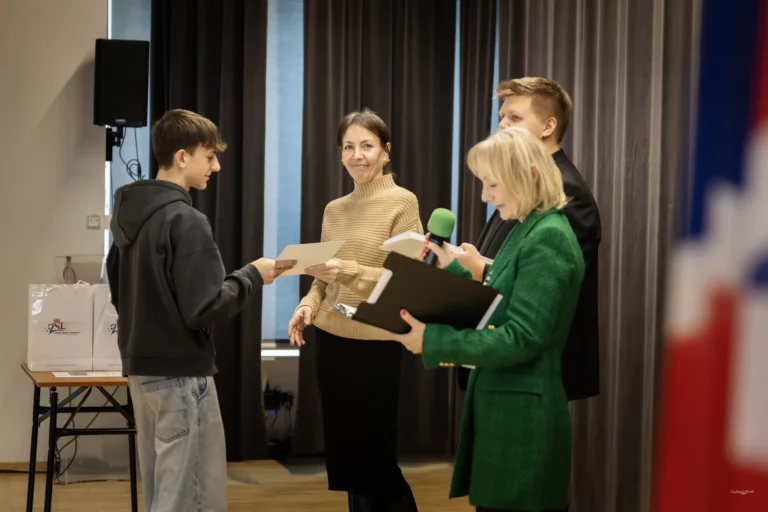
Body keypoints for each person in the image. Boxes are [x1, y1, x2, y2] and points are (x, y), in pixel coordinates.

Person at [106, 109, 295, 512]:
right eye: (209, 156)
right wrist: (253, 275)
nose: (217, 166)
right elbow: (203, 307)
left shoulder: (126, 220)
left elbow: (118, 294)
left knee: (163, 494)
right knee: (189, 500)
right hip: (180, 377)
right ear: (182, 157)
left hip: (142, 375)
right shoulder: (186, 220)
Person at [392, 127, 584, 512]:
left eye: (492, 184)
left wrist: (433, 340)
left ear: (529, 175)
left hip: (524, 422)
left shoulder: (548, 236)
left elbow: (521, 337)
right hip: (505, 412)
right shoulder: (527, 227)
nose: (484, 196)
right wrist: (451, 269)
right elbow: (501, 303)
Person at [288, 109, 422, 512]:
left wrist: (345, 270)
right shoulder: (334, 209)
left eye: (366, 145)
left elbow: (405, 280)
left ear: (386, 151)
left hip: (375, 344)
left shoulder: (403, 202)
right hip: (332, 342)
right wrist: (307, 305)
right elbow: (322, 279)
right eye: (348, 147)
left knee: (376, 463)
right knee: (348, 461)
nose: (356, 155)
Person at [455, 77, 601, 401]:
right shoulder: (522, 178)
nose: (502, 125)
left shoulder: (565, 188)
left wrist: (482, 269)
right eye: (502, 117)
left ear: (549, 126)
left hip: (533, 369)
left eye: (515, 117)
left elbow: (552, 284)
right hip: (502, 353)